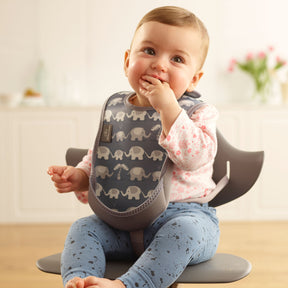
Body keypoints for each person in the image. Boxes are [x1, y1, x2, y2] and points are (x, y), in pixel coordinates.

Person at [48, 6, 219, 288]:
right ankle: (80, 280)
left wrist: (169, 111)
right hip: (120, 222)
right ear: (128, 61)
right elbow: (104, 155)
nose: (160, 65)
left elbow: (196, 158)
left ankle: (127, 285)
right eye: (149, 51)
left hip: (185, 217)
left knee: (183, 231)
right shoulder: (117, 110)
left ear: (194, 79)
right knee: (83, 228)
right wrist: (80, 176)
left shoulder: (198, 113)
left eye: (177, 59)